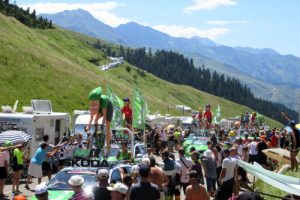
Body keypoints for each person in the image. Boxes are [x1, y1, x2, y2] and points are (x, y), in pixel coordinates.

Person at [87, 87, 114, 151]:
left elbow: (104, 116)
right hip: (100, 107)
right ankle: (97, 134)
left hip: (108, 106)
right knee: (95, 120)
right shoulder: (93, 104)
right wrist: (88, 127)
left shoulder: (103, 100)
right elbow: (91, 117)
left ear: (98, 100)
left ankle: (108, 146)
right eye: (93, 102)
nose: (94, 103)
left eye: (95, 102)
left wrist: (102, 124)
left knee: (107, 126)